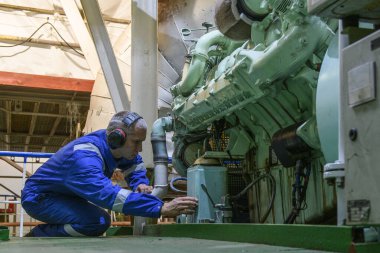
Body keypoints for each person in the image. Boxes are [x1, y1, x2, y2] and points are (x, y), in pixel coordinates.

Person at [21, 111, 198, 237]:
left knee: (97, 220)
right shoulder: (84, 159)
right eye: (136, 142)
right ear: (117, 138)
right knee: (97, 222)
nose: (140, 149)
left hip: (66, 196)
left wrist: (139, 184)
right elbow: (109, 196)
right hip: (40, 199)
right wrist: (160, 208)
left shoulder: (111, 145)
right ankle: (39, 235)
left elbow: (134, 164)